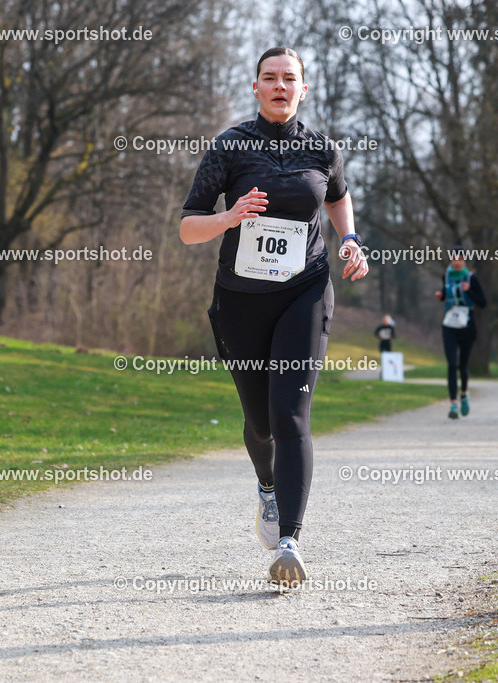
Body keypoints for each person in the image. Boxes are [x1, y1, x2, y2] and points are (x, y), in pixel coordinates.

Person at [180, 46, 368, 586]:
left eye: (290, 78)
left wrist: (350, 239)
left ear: (303, 88)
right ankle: (267, 486)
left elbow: (337, 196)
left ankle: (290, 541)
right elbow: (188, 227)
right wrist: (229, 217)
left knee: (290, 415)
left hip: (304, 292)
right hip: (240, 300)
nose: (280, 86)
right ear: (256, 87)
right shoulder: (230, 146)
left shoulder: (321, 148)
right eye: (270, 77)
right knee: (260, 423)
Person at [434, 248, 487, 419]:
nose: (456, 262)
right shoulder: (446, 276)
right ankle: (453, 403)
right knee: (451, 364)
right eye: (454, 259)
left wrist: (469, 290)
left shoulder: (471, 278)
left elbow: (483, 302)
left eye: (460, 259)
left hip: (467, 325)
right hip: (449, 324)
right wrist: (441, 296)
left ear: (465, 261)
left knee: (463, 366)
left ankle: (464, 394)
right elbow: (446, 295)